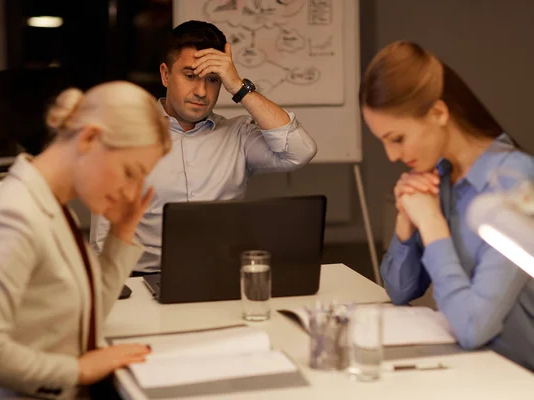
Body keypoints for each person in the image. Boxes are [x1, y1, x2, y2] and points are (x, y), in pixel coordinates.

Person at [0, 81, 171, 399]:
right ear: (90, 138)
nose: (132, 192)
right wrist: (79, 371)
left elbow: (88, 314)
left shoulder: (55, 206)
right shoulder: (14, 215)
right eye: (129, 172)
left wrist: (122, 231)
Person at [360, 40, 534, 370]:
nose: (392, 156)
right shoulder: (441, 176)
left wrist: (432, 225)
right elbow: (399, 292)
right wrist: (406, 222)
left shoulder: (515, 182)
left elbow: (472, 328)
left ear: (438, 112)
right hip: (477, 370)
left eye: (397, 138)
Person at [90, 20, 318, 272]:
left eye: (213, 79)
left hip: (222, 273)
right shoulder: (125, 136)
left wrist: (239, 87)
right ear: (166, 75)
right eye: (190, 76)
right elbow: (103, 237)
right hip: (146, 278)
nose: (201, 91)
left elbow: (299, 151)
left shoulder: (238, 134)